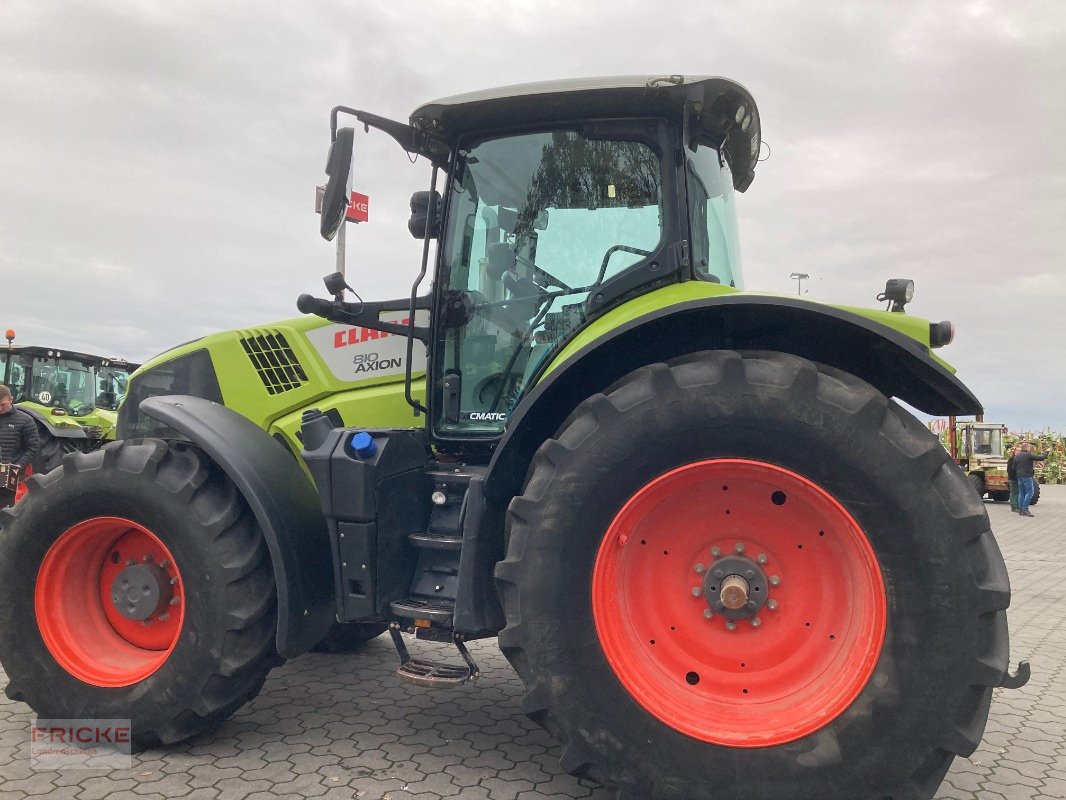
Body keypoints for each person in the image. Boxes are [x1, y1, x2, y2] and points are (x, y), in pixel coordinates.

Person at [0, 384, 40, 506]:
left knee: (5, 505)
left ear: (11, 400)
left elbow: (33, 448)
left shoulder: (26, 421)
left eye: (3, 405)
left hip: (10, 471)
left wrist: (18, 466)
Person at [1015, 442, 1049, 518]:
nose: (1030, 449)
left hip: (1019, 476)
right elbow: (1041, 458)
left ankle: (1020, 509)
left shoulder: (1017, 456)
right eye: (1030, 447)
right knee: (1030, 492)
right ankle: (1025, 509)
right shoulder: (1028, 455)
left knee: (1021, 492)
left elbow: (1014, 467)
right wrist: (1047, 451)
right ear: (1027, 448)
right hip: (1027, 475)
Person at [1006, 444, 1021, 512]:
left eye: (1020, 451)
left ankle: (1017, 505)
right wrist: (1012, 477)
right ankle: (1014, 507)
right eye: (1018, 450)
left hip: (1018, 477)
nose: (1020, 452)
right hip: (1014, 478)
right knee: (1014, 492)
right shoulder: (1011, 459)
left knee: (1017, 492)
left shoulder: (1017, 459)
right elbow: (1009, 470)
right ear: (1014, 452)